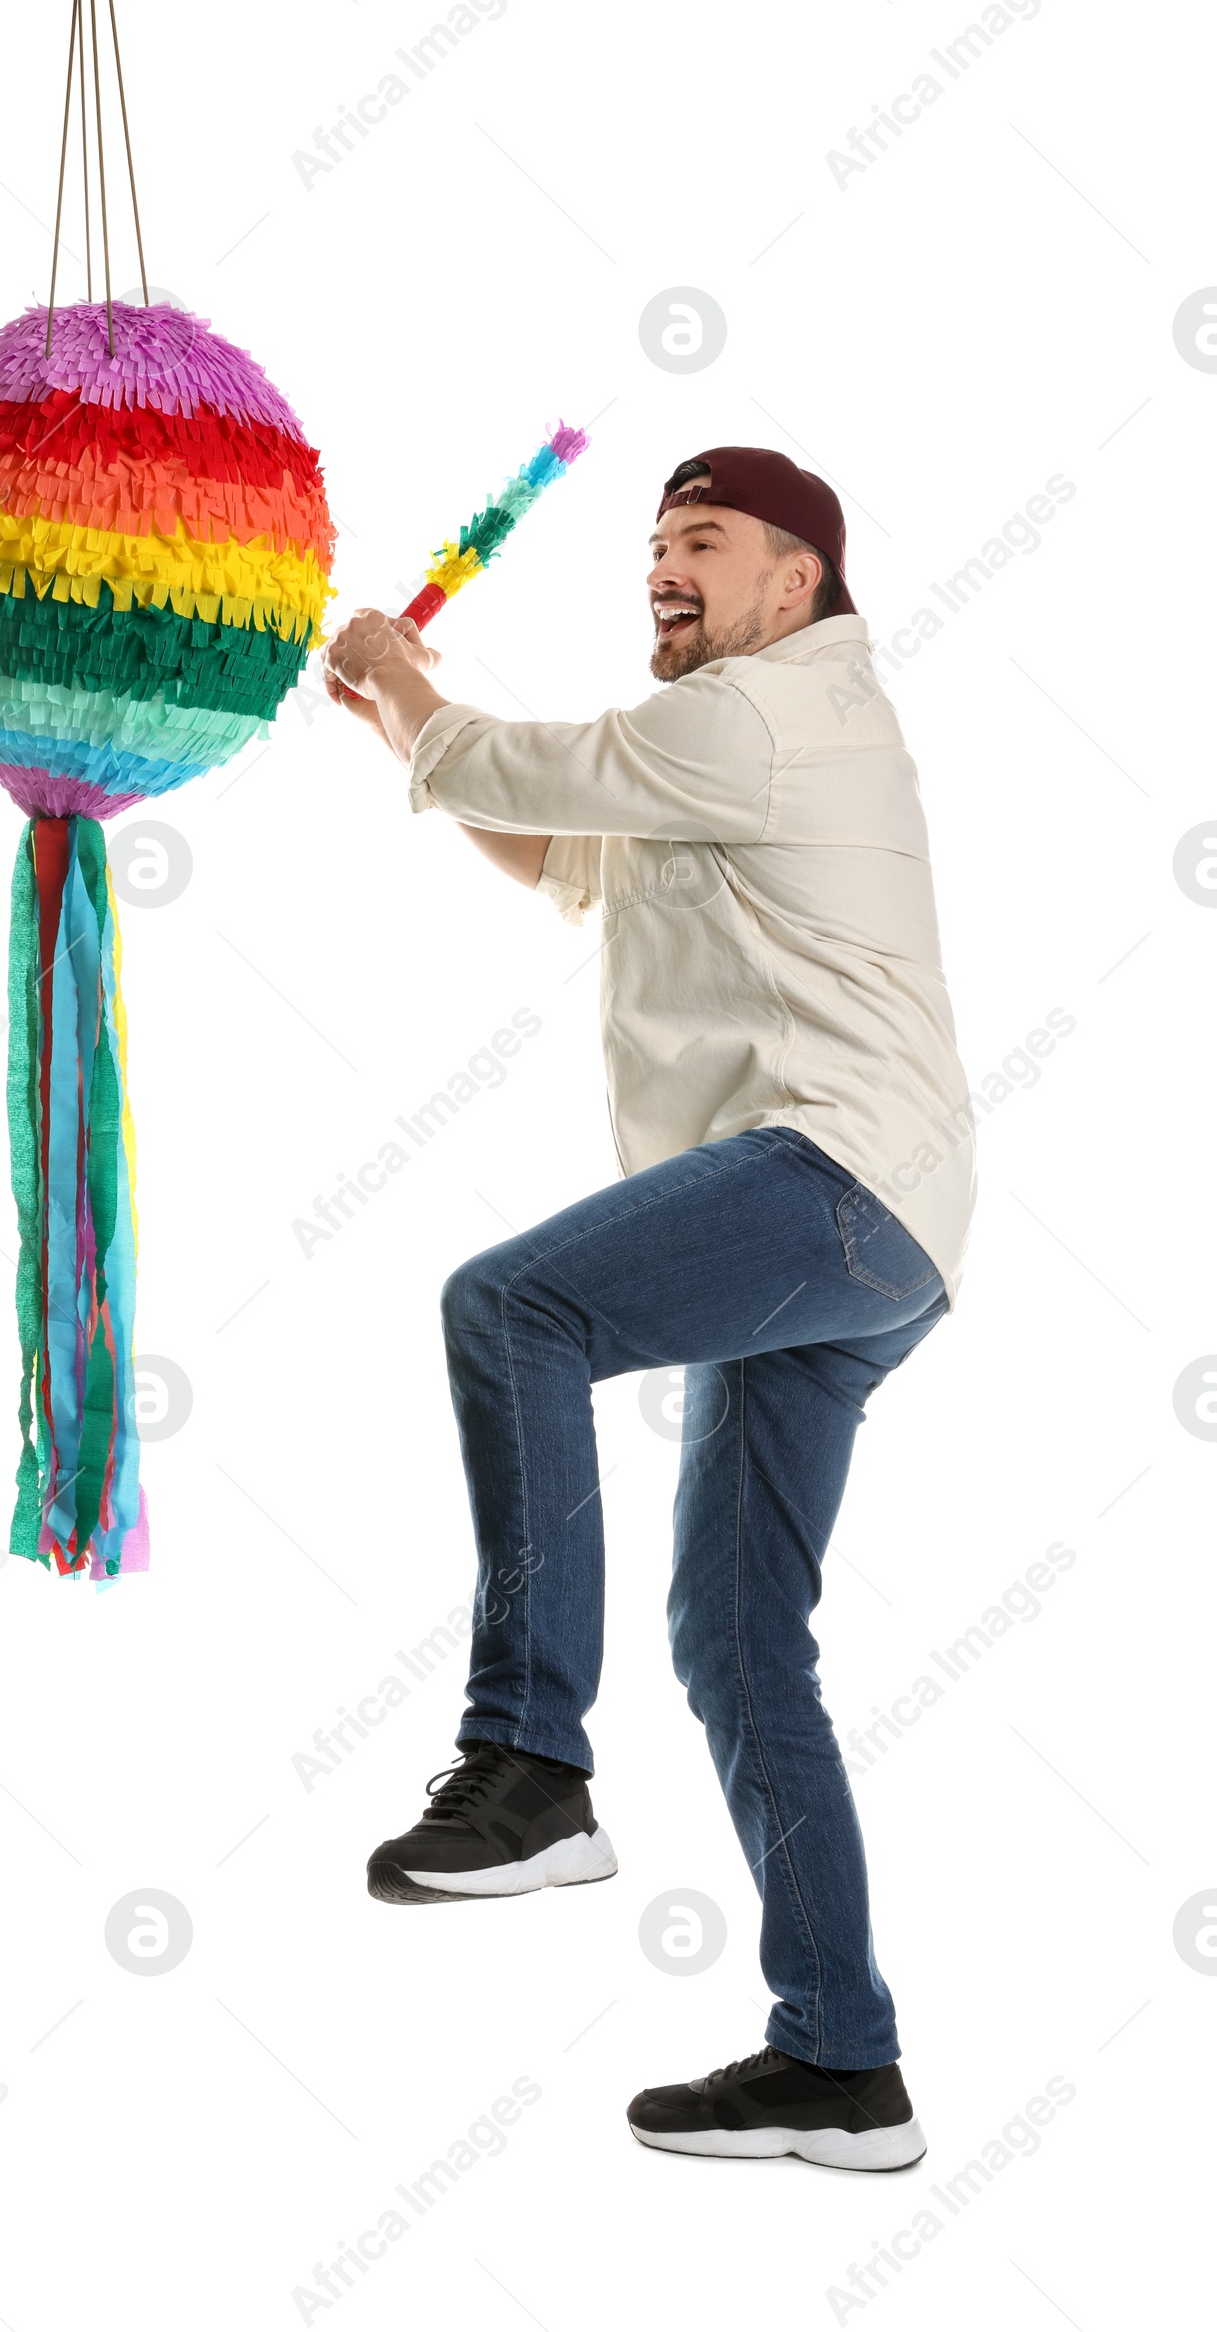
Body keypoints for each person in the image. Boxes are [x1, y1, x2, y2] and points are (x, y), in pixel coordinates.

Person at [322, 447, 974, 2173]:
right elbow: (559, 850)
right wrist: (412, 721)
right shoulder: (722, 749)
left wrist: (403, 679)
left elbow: (537, 761)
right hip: (858, 1229)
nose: (667, 570)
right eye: (655, 547)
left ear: (799, 581)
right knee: (742, 1644)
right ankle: (842, 2062)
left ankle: (529, 1761)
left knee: (512, 1305)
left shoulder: (774, 710)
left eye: (706, 543)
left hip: (831, 1183)